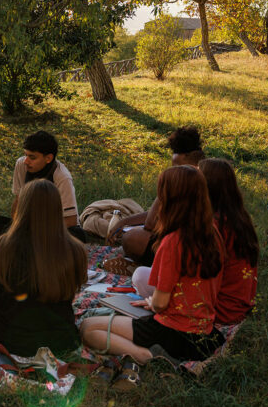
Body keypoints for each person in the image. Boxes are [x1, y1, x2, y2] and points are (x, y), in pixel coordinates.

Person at [80, 166, 224, 363]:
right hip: (204, 333)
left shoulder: (173, 242)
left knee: (88, 327)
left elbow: (160, 303)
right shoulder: (212, 233)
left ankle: (147, 355)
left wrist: (152, 303)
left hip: (171, 331)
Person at [0, 179, 88, 356]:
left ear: (22, 208)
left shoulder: (2, 247)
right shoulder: (76, 249)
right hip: (62, 341)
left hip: (11, 341)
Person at [107, 126, 205, 267]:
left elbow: (150, 223)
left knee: (131, 239)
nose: (173, 171)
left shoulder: (190, 179)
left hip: (187, 245)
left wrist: (164, 188)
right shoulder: (204, 171)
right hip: (185, 240)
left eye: (176, 167)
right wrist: (123, 222)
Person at [0, 130, 87, 243]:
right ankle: (26, 242)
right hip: (28, 226)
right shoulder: (22, 165)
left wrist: (40, 230)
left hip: (52, 229)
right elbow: (18, 201)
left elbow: (70, 221)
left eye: (32, 157)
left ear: (48, 158)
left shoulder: (62, 177)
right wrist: (18, 227)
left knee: (78, 236)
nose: (26, 161)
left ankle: (22, 243)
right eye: (25, 155)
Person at [197, 158, 258, 324]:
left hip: (217, 311)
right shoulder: (239, 218)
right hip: (238, 305)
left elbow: (202, 277)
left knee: (141, 277)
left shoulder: (213, 226)